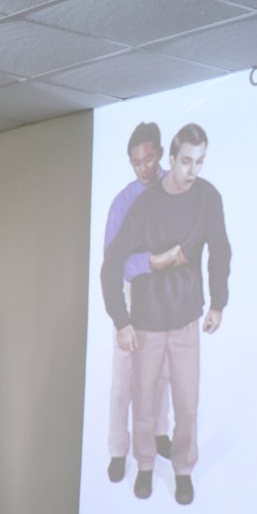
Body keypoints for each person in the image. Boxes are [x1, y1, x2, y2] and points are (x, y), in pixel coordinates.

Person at [99, 122, 231, 506]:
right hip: (146, 320)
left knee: (186, 404)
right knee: (140, 401)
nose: (193, 170)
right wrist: (122, 321)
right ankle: (142, 464)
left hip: (186, 318)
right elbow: (112, 264)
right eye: (186, 161)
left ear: (158, 157)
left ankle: (183, 469)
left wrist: (218, 302)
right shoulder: (140, 205)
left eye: (199, 161)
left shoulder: (208, 197)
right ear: (172, 159)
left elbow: (220, 249)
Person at [102, 123, 174, 482]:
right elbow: (111, 261)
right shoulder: (122, 202)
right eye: (136, 163)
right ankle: (118, 449)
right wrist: (149, 262)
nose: (143, 168)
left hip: (168, 293)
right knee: (123, 379)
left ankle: (159, 432)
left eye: (148, 160)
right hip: (134, 294)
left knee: (163, 372)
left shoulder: (178, 190)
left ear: (159, 153)